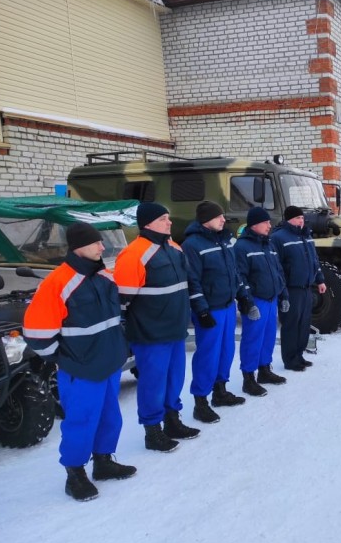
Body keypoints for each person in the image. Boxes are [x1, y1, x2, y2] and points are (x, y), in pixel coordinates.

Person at [23, 222, 135, 501]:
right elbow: (37, 334)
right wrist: (64, 359)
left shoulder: (104, 277)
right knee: (81, 421)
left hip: (109, 363)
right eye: (96, 243)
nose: (102, 247)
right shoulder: (57, 282)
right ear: (78, 246)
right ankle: (75, 474)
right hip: (81, 369)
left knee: (110, 417)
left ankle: (103, 462)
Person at [114, 202, 200, 453]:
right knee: (153, 381)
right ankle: (153, 431)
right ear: (148, 223)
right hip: (150, 333)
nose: (170, 222)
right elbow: (122, 302)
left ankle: (172, 420)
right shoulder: (133, 254)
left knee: (175, 378)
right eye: (164, 218)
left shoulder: (174, 248)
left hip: (175, 329)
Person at [181, 201, 252, 424]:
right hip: (210, 310)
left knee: (226, 350)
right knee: (207, 355)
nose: (223, 219)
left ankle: (220, 391)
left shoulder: (225, 241)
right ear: (205, 220)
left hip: (228, 306)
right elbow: (193, 281)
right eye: (218, 216)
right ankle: (200, 401)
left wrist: (244, 298)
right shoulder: (192, 245)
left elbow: (235, 273)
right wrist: (201, 311)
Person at [233, 207, 289, 395]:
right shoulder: (242, 247)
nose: (269, 225)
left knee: (268, 336)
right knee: (252, 339)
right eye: (266, 222)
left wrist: (283, 294)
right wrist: (248, 303)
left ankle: (265, 369)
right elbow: (240, 277)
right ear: (255, 224)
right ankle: (248, 377)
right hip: (257, 300)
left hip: (271, 299)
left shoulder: (268, 244)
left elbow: (278, 271)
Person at [270, 206, 326, 371]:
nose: (300, 221)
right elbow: (277, 266)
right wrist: (282, 290)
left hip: (306, 287)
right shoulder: (278, 238)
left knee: (304, 323)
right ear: (288, 220)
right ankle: (290, 359)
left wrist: (320, 280)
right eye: (297, 218)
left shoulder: (306, 235)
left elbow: (315, 260)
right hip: (291, 289)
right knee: (291, 324)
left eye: (302, 218)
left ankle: (299, 355)